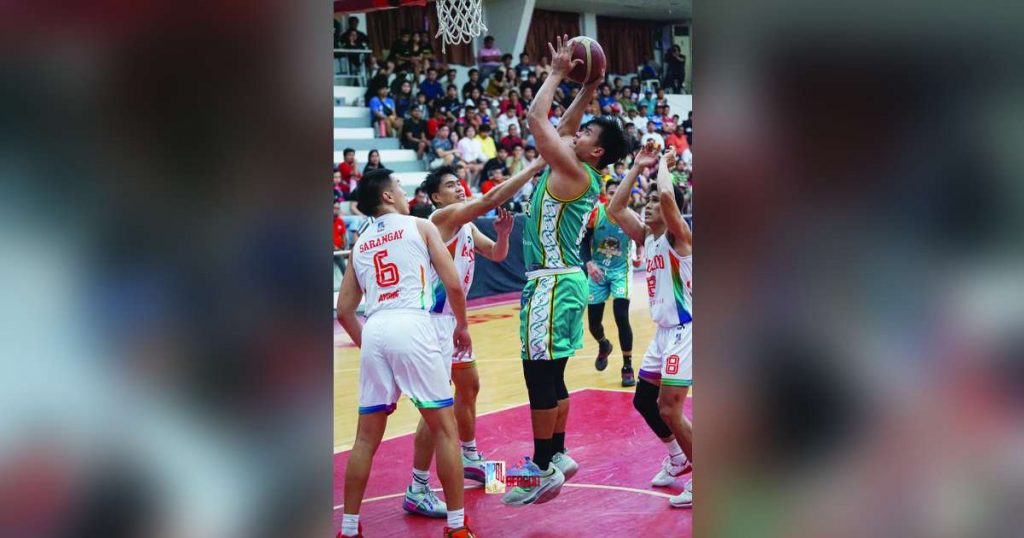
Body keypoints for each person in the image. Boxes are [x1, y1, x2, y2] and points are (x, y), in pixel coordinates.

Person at [501, 34, 628, 507]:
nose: (577, 134)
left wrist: (556, 73)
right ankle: (558, 454)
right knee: (552, 374)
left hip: (552, 282)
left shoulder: (575, 173)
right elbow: (564, 125)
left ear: (595, 153)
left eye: (587, 136)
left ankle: (539, 467)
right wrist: (587, 86)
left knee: (538, 374)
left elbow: (537, 120)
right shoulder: (579, 166)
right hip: (561, 281)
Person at [403, 159, 548, 519]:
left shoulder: (464, 224)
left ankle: (469, 455)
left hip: (452, 321)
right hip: (433, 323)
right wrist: (536, 164)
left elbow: (497, 255)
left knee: (469, 387)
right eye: (451, 184)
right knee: (437, 408)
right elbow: (491, 198)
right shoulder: (440, 220)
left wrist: (502, 235)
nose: (459, 187)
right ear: (435, 196)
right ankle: (417, 487)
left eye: (459, 182)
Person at [335, 169, 476, 537]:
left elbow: (344, 311)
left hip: (376, 327)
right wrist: (461, 325)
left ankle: (348, 529)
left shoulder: (361, 241)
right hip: (411, 323)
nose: (403, 191)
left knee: (365, 438)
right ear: (387, 197)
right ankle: (458, 528)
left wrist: (372, 346)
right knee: (445, 430)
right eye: (398, 187)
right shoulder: (419, 225)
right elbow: (454, 284)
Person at [606, 147, 693, 509]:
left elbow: (670, 194)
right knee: (644, 400)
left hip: (687, 330)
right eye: (648, 199)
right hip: (663, 333)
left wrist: (661, 166)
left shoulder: (680, 237)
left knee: (670, 407)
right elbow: (614, 208)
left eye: (655, 201)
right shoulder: (649, 237)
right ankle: (677, 458)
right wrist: (638, 167)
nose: (649, 204)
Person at [581, 180, 641, 386]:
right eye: (612, 192)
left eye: (620, 192)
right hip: (598, 271)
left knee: (621, 317)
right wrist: (588, 263)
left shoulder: (631, 217)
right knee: (593, 324)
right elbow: (583, 240)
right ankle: (604, 344)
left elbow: (641, 238)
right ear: (605, 194)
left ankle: (627, 366)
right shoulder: (595, 213)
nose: (616, 195)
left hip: (620, 272)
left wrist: (639, 253)